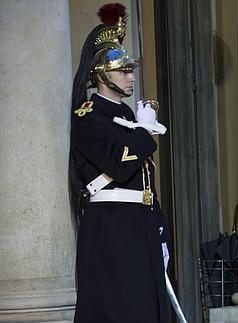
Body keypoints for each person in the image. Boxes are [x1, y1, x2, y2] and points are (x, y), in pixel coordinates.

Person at [68, 4, 170, 322]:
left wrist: (160, 225)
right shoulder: (88, 115)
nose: (130, 77)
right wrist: (143, 131)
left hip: (138, 223)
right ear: (101, 74)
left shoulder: (126, 114)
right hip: (111, 227)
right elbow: (120, 165)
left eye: (130, 70)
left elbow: (145, 178)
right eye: (123, 71)